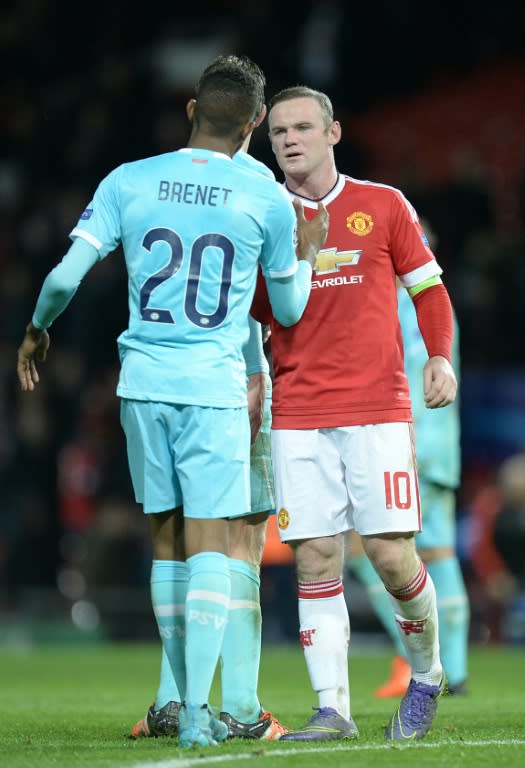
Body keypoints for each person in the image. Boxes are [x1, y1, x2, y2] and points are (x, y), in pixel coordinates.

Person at [16, 58, 328, 750]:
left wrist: (37, 330)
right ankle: (196, 714)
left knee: (166, 538)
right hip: (213, 388)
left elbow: (64, 275)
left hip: (140, 386)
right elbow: (286, 311)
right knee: (213, 539)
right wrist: (306, 254)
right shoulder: (265, 196)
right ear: (253, 122)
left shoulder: (129, 179)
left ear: (190, 108)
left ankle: (171, 705)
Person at [251, 85, 457, 742]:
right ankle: (331, 709)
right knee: (314, 557)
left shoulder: (383, 205)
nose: (290, 139)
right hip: (298, 411)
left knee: (391, 557)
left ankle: (425, 674)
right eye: (279, 130)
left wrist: (438, 357)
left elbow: (428, 290)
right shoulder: (262, 216)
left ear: (333, 133)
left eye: (303, 127)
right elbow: (254, 310)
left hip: (376, 409)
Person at [347, 278, 470, 698]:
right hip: (443, 445)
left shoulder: (393, 304)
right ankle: (455, 668)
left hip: (407, 441)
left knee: (362, 548)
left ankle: (418, 658)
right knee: (438, 552)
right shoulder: (439, 307)